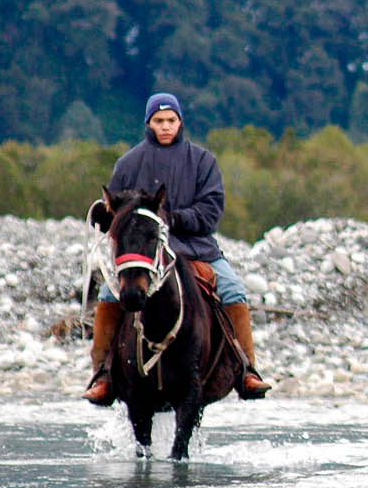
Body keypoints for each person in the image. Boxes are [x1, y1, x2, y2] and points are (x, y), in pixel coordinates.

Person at [82, 92, 270, 404]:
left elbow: (211, 211)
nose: (165, 126)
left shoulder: (203, 161)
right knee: (106, 295)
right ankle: (103, 373)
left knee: (234, 289)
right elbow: (115, 212)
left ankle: (246, 369)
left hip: (195, 248)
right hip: (142, 254)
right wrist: (106, 217)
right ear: (148, 123)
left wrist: (173, 218)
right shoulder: (128, 164)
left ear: (180, 122)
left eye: (171, 120)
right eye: (159, 121)